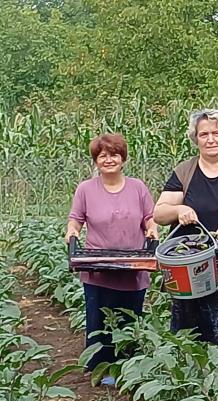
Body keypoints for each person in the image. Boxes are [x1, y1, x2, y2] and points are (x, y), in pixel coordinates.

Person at [65, 133, 158, 383]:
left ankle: (128, 369)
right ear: (96, 161)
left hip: (133, 266)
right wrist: (72, 231)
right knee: (99, 319)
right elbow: (76, 218)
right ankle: (101, 369)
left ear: (123, 158)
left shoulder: (137, 187)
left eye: (114, 154)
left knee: (130, 317)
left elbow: (149, 217)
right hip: (98, 266)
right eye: (102, 155)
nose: (108, 160)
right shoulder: (86, 189)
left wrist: (151, 228)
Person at [154, 109, 218, 352]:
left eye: (217, 133)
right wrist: (179, 210)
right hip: (190, 265)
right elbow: (159, 212)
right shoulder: (186, 171)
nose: (210, 139)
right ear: (196, 139)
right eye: (203, 134)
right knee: (189, 328)